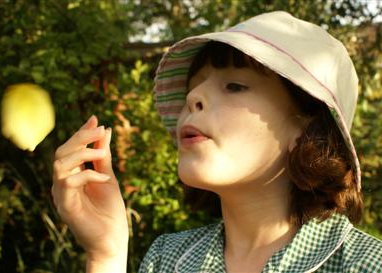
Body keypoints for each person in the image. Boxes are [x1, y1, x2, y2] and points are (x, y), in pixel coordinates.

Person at [51, 11, 382, 273]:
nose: (193, 96)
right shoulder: (166, 260)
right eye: (193, 87)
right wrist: (106, 254)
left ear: (307, 125)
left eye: (235, 86)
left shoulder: (364, 265)